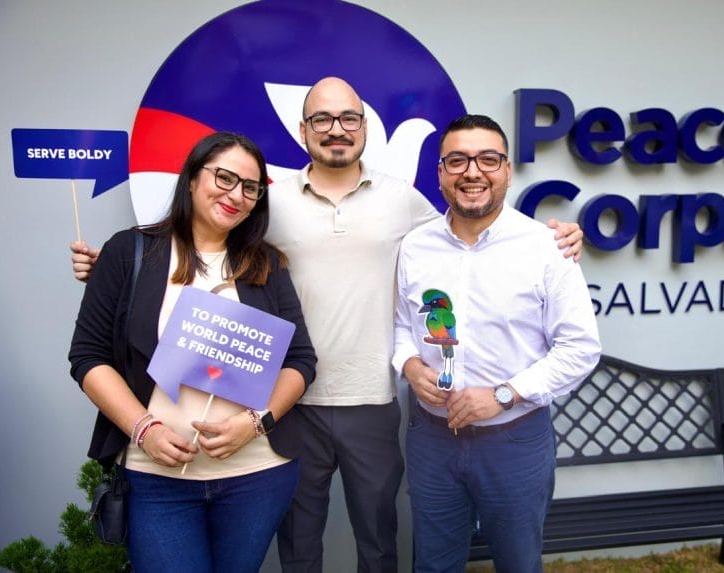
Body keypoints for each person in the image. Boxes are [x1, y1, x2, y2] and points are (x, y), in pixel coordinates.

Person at [70, 77, 585, 573]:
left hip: (370, 399)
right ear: (303, 130)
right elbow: (198, 257)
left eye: (348, 118)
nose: (336, 129)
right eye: (322, 119)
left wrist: (557, 236)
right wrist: (111, 272)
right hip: (289, 407)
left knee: (379, 541)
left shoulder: (404, 201)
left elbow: (464, 233)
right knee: (298, 545)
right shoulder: (268, 201)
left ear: (365, 126)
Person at [69, 131, 317, 572]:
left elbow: (300, 361)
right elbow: (88, 357)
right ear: (191, 178)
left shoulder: (267, 264)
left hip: (257, 476)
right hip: (155, 478)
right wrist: (144, 428)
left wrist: (255, 423)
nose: (236, 195)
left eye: (250, 188)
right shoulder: (129, 252)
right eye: (224, 178)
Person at [392, 114, 601, 573]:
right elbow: (403, 325)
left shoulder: (547, 247)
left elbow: (580, 348)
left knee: (518, 563)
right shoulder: (415, 246)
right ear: (440, 173)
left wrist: (504, 395)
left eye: (488, 159)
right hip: (432, 438)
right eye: (458, 161)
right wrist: (408, 364)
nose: (473, 172)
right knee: (433, 563)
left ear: (507, 170)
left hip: (514, 439)